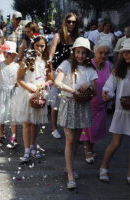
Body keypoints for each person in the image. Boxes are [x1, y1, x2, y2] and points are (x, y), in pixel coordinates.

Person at [54, 37, 98, 189]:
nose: (80, 55)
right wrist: (73, 91)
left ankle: (69, 167)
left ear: (87, 54)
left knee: (77, 140)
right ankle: (70, 175)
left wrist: (89, 88)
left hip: (82, 106)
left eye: (83, 53)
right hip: (69, 104)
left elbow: (95, 90)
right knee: (70, 140)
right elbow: (57, 82)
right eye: (78, 52)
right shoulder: (66, 64)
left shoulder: (90, 69)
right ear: (74, 52)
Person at [13, 35, 53, 161]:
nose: (39, 48)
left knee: (35, 123)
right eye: (37, 45)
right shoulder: (26, 59)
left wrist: (45, 84)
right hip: (27, 92)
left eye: (42, 46)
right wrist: (29, 88)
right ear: (33, 46)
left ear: (45, 47)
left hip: (39, 92)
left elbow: (50, 78)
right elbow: (19, 79)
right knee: (26, 123)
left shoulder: (47, 61)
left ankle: (32, 146)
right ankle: (26, 150)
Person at [99, 38, 130, 184]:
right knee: (116, 143)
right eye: (125, 53)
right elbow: (109, 86)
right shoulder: (119, 70)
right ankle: (104, 167)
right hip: (121, 110)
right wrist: (107, 93)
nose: (127, 55)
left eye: (129, 52)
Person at [49, 12, 79, 139]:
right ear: (64, 22)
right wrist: (50, 73)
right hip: (59, 72)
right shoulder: (58, 36)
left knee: (70, 100)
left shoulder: (77, 37)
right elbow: (50, 56)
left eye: (73, 22)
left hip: (72, 71)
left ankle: (69, 126)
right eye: (69, 21)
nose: (71, 24)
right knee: (56, 101)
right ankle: (54, 128)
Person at [80, 44, 112, 164]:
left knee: (96, 128)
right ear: (95, 53)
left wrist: (111, 96)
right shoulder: (89, 64)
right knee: (89, 127)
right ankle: (88, 149)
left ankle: (89, 147)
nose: (103, 56)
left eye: (105, 53)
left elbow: (112, 82)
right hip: (89, 102)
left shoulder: (109, 65)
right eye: (100, 53)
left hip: (102, 103)